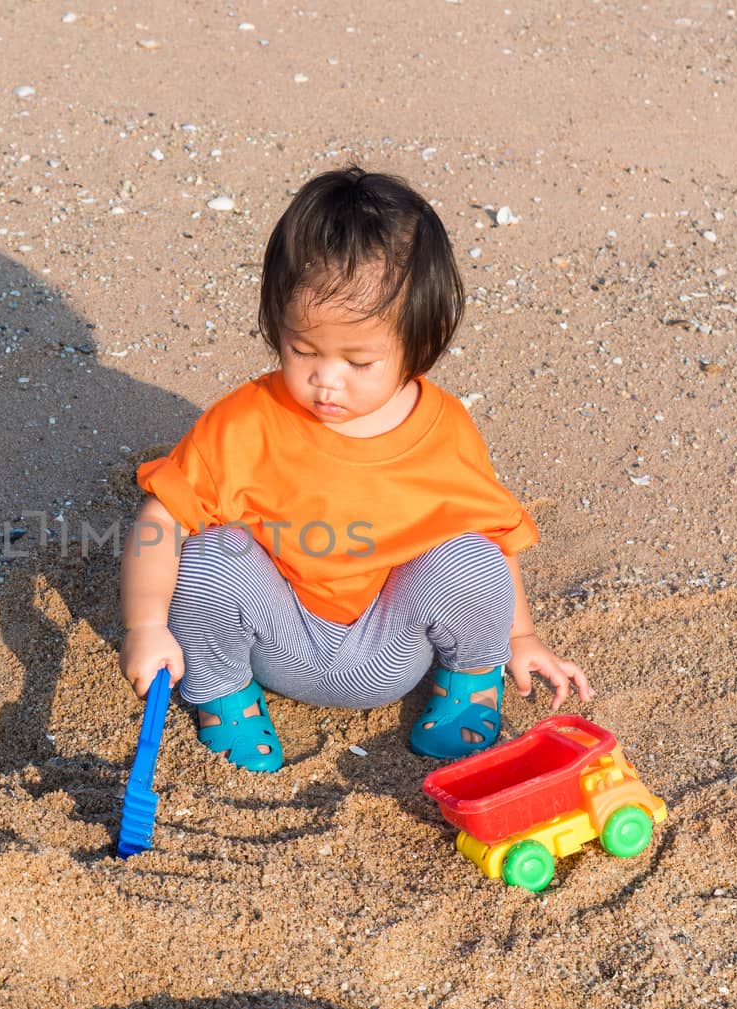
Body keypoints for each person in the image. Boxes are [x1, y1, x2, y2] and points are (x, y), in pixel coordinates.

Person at [117, 165, 593, 771]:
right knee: (211, 551)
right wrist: (147, 625)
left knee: (466, 552)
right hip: (276, 638)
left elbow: (496, 541)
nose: (325, 380)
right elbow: (160, 518)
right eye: (303, 350)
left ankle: (470, 682)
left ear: (423, 340)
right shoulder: (248, 420)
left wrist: (520, 638)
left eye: (360, 361)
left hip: (391, 647)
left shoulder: (442, 430)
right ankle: (221, 696)